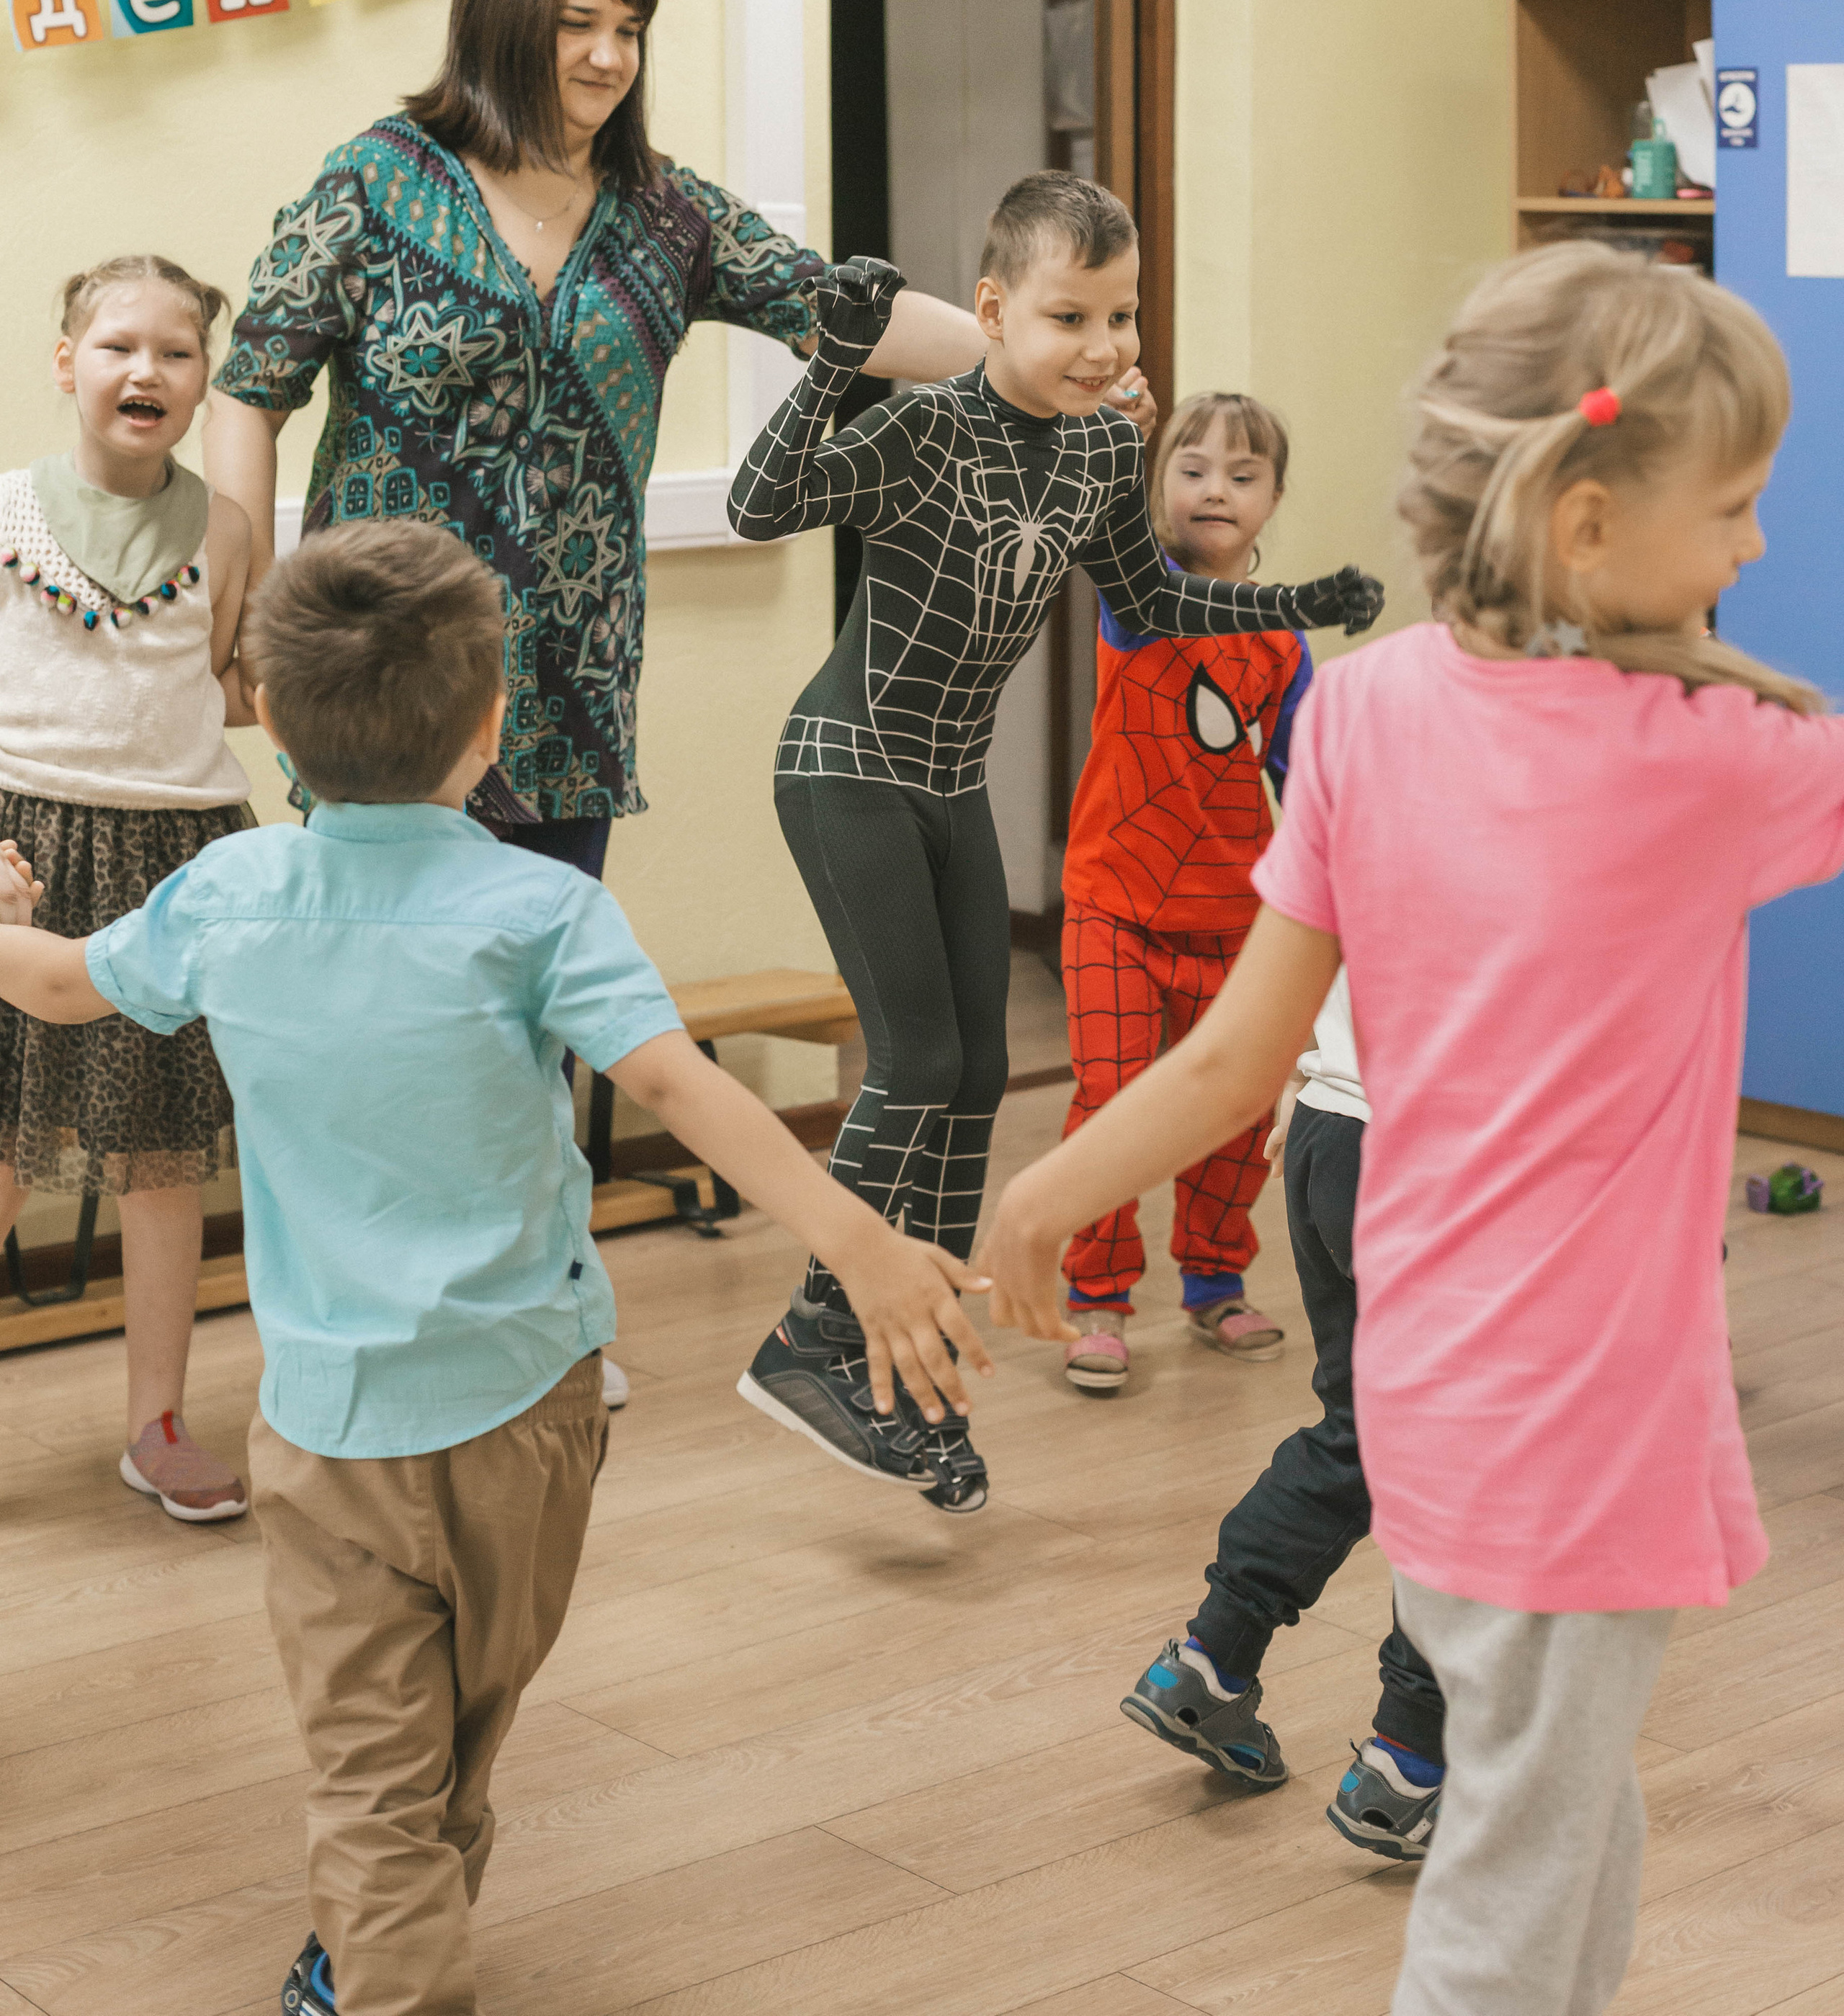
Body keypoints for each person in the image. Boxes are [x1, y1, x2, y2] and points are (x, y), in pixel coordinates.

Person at [977, 239, 1844, 2016]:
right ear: (1585, 520)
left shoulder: (1357, 706)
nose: (1755, 546)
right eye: (1736, 504)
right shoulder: (1702, 750)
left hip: (1428, 1396)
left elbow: (1236, 1059)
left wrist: (1036, 1197)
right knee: (1507, 1890)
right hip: (1582, 1422)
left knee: (1558, 1821)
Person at [0, 519, 992, 2016]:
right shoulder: (543, 909)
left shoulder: (231, 896)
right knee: (449, 1730)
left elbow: (67, 988)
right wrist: (857, 1245)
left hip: (333, 1432)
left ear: (266, 719)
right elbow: (683, 1088)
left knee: (381, 1762)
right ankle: (389, 1936)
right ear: (488, 730)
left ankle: (382, 1934)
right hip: (535, 1416)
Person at [728, 176, 1382, 1515]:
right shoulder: (922, 428)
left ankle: (912, 1388)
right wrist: (836, 363)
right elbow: (756, 502)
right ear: (990, 310)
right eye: (1071, 315)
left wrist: (1297, 601)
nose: (1105, 346)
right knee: (914, 1064)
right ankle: (812, 1332)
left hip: (948, 780)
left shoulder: (1094, 454)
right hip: (846, 765)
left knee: (975, 1084)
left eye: (1125, 315)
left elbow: (1151, 599)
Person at [204, 0, 1006, 872]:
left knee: (541, 995)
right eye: (578, 24)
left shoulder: (665, 213)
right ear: (502, 22)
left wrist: (1027, 355)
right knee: (398, 991)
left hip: (567, 682)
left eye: (630, 30)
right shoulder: (375, 183)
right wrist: (245, 608)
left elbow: (840, 311)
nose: (610, 57)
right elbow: (251, 388)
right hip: (381, 666)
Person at [0, 254, 256, 1522]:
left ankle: (156, 1421)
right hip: (23, 866)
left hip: (175, 866)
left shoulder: (226, 531)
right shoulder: (4, 512)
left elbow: (210, 678)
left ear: (205, 380)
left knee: (162, 1165)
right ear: (67, 365)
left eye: (176, 351)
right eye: (118, 347)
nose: (146, 370)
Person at [1120, 968, 1449, 1864]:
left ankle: (1209, 1663)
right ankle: (1410, 1766)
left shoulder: (1354, 813)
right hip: (1444, 1154)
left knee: (1360, 1429)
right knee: (1465, 1474)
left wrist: (1314, 1081)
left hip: (1333, 1124)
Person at [1058, 389, 1310, 1389]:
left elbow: (1303, 783)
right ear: (1159, 488)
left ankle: (1214, 1281)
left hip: (1239, 920)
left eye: (1243, 476)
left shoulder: (1285, 641)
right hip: (1115, 900)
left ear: (1274, 499)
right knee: (1112, 1099)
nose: (1216, 490)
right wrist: (1116, 434)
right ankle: (1098, 1297)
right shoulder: (1139, 597)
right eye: (1192, 468)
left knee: (1239, 1110)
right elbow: (1110, 525)